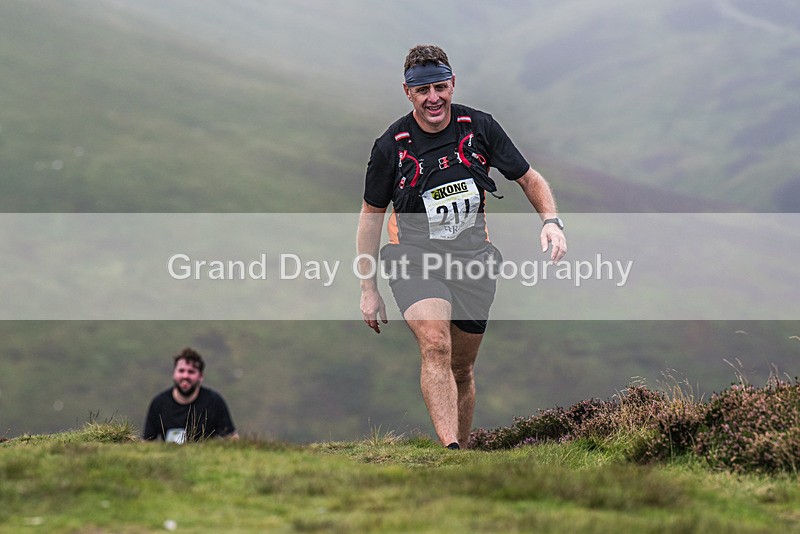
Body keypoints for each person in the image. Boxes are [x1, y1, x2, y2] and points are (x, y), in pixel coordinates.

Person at [356, 44, 566, 449]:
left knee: (463, 368)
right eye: (422, 91)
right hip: (413, 260)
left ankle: (462, 456)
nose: (433, 98)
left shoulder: (480, 127)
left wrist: (551, 221)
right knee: (435, 343)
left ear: (452, 84)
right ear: (408, 93)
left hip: (473, 263)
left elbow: (528, 177)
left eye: (440, 87)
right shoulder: (391, 145)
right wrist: (368, 288)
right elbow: (371, 216)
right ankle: (450, 449)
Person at [142, 347, 238, 442]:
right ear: (174, 373)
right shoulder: (159, 403)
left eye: (191, 372)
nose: (185, 376)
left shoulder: (214, 401)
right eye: (181, 371)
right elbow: (146, 442)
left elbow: (232, 438)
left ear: (200, 376)